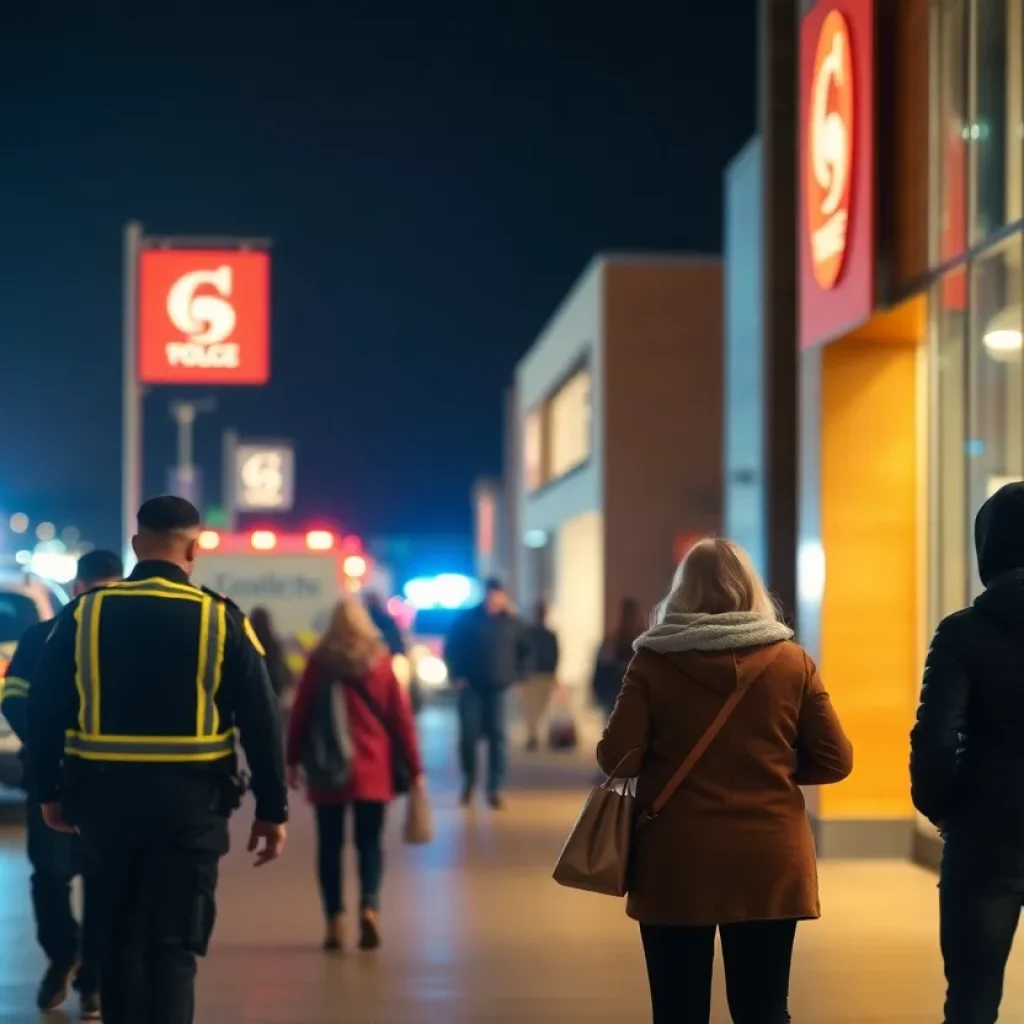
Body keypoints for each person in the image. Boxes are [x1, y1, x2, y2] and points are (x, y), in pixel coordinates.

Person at [27, 496, 288, 1024]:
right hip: (190, 811)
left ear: (135, 545)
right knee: (173, 950)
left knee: (119, 943)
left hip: (104, 807)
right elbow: (262, 721)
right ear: (194, 547)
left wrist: (47, 793)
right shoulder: (222, 620)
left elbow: (44, 710)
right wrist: (272, 809)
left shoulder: (83, 615)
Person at [597, 537, 853, 1023]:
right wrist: (775, 768)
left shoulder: (652, 662)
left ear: (682, 592)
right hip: (769, 857)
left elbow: (618, 758)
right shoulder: (790, 661)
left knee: (678, 1010)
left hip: (676, 858)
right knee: (763, 1009)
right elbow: (835, 760)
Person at [910, 481, 1024, 1023]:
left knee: (973, 1000)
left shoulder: (961, 634)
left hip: (985, 835)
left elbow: (934, 737)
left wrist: (945, 809)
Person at [0, 549, 123, 1019]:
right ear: (77, 590)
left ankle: (92, 980)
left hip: (105, 781)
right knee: (52, 876)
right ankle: (63, 955)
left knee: (98, 880)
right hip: (57, 776)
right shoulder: (41, 636)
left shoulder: (126, 639)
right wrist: (53, 742)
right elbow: (15, 700)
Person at [285, 597, 424, 953]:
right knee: (369, 845)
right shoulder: (380, 662)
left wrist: (290, 760)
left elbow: (300, 713)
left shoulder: (319, 662)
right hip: (372, 769)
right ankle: (370, 906)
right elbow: (400, 718)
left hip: (328, 767)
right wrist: (415, 768)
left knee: (329, 846)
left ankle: (334, 919)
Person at [445, 578, 531, 809]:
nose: (494, 599)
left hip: (500, 687)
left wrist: (520, 677)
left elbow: (526, 650)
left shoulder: (512, 622)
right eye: (491, 594)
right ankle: (469, 781)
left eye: (498, 595)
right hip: (471, 686)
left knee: (498, 738)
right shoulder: (468, 619)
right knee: (468, 736)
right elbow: (451, 646)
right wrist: (456, 674)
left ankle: (495, 788)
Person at [592, 597, 645, 719]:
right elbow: (602, 670)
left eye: (630, 615)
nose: (628, 619)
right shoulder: (612, 642)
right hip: (615, 699)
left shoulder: (641, 642)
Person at [521, 599, 559, 751]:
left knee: (541, 707)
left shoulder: (550, 635)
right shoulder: (529, 634)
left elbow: (555, 655)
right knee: (532, 707)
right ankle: (533, 736)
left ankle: (535, 734)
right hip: (532, 675)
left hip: (545, 674)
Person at [250, 606, 293, 700]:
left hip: (251, 698)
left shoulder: (247, 644)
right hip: (273, 698)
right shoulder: (274, 646)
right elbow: (282, 672)